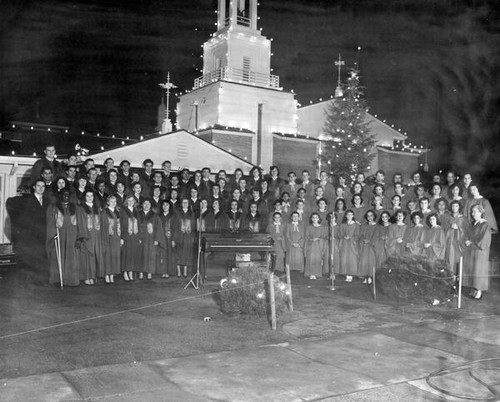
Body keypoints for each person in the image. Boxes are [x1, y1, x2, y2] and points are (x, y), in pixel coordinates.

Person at [46, 189, 79, 287]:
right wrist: (53, 234)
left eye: (68, 194)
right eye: (64, 194)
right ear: (60, 195)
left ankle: (70, 280)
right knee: (57, 257)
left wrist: (79, 238)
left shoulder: (75, 207)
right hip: (59, 236)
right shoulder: (54, 207)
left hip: (72, 237)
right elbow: (50, 222)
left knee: (71, 258)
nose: (66, 196)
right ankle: (57, 280)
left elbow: (80, 223)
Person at [463, 204, 492, 300]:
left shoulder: (485, 224)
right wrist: (468, 241)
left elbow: (483, 241)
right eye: (472, 212)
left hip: (480, 251)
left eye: (475, 212)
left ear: (481, 212)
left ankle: (479, 290)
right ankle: (474, 289)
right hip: (473, 250)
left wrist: (471, 243)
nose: (473, 214)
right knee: (473, 270)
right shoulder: (475, 224)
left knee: (479, 270)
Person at [76, 190, 103, 285]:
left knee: (95, 255)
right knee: (87, 256)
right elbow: (80, 222)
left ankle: (93, 276)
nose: (90, 197)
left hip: (96, 235)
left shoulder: (97, 208)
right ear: (84, 197)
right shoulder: (80, 208)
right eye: (87, 196)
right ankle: (86, 277)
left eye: (91, 196)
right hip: (87, 235)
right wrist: (83, 236)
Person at [101, 195, 123, 284]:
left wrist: (120, 238)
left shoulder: (118, 212)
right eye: (111, 201)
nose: (113, 203)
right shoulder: (104, 212)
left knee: (114, 256)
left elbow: (120, 226)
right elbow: (102, 226)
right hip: (108, 237)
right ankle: (107, 275)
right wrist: (104, 238)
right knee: (107, 257)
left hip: (116, 237)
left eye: (115, 201)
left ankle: (112, 275)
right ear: (108, 202)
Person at [138, 199, 162, 280]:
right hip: (141, 238)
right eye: (145, 203)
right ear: (142, 205)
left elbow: (159, 228)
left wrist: (157, 239)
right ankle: (140, 272)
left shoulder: (155, 215)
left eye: (148, 204)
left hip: (151, 239)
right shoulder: (138, 214)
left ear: (151, 205)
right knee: (141, 255)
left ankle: (149, 273)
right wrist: (138, 238)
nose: (146, 205)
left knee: (150, 255)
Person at [172, 199, 196, 277]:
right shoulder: (177, 213)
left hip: (188, 236)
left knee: (187, 253)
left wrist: (192, 236)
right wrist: (174, 239)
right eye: (183, 202)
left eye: (186, 202)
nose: (185, 204)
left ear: (188, 204)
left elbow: (193, 226)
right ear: (181, 204)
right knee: (178, 253)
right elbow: (174, 226)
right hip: (179, 235)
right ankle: (178, 271)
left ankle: (185, 270)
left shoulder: (191, 213)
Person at [120, 195, 141, 281]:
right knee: (126, 254)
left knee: (133, 254)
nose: (131, 202)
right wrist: (121, 237)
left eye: (132, 201)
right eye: (129, 201)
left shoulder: (136, 211)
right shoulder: (123, 211)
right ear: (126, 202)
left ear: (135, 202)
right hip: (126, 235)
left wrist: (139, 237)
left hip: (135, 236)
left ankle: (131, 272)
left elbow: (139, 224)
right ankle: (125, 272)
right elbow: (120, 224)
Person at [445, 200, 469, 273]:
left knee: (459, 259)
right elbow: (444, 229)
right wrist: (450, 227)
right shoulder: (448, 218)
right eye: (453, 206)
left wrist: (459, 228)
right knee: (450, 258)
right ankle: (450, 277)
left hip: (459, 242)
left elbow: (467, 230)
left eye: (456, 206)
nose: (454, 208)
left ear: (459, 207)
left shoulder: (463, 218)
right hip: (450, 241)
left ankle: (459, 279)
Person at [304, 212, 328, 279]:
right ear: (311, 219)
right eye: (313, 217)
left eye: (316, 217)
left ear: (318, 219)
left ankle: (317, 273)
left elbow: (324, 237)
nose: (315, 219)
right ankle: (311, 273)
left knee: (317, 259)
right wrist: (311, 239)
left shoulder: (322, 228)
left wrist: (318, 239)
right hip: (311, 245)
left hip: (319, 245)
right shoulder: (309, 227)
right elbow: (306, 237)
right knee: (310, 258)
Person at [338, 209, 360, 281]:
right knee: (344, 258)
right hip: (344, 243)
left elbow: (357, 235)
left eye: (351, 214)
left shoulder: (356, 225)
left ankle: (351, 274)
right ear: (346, 216)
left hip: (352, 244)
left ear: (353, 216)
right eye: (348, 215)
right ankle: (346, 274)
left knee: (352, 259)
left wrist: (351, 237)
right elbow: (340, 234)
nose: (349, 216)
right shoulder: (342, 225)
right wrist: (343, 237)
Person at [357, 210, 377, 283]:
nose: (370, 217)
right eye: (368, 216)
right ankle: (365, 276)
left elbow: (376, 236)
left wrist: (370, 241)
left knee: (371, 261)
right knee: (364, 261)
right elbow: (360, 235)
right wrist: (363, 241)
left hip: (372, 246)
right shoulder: (364, 225)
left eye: (371, 215)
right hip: (364, 245)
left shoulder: (376, 226)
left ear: (374, 216)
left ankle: (370, 277)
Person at [158, 200, 176, 278]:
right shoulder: (159, 216)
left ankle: (168, 271)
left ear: (170, 206)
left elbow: (176, 228)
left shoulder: (173, 216)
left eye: (167, 205)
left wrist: (174, 239)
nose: (165, 206)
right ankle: (163, 271)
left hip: (170, 238)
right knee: (162, 255)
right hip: (161, 238)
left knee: (169, 255)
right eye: (164, 205)